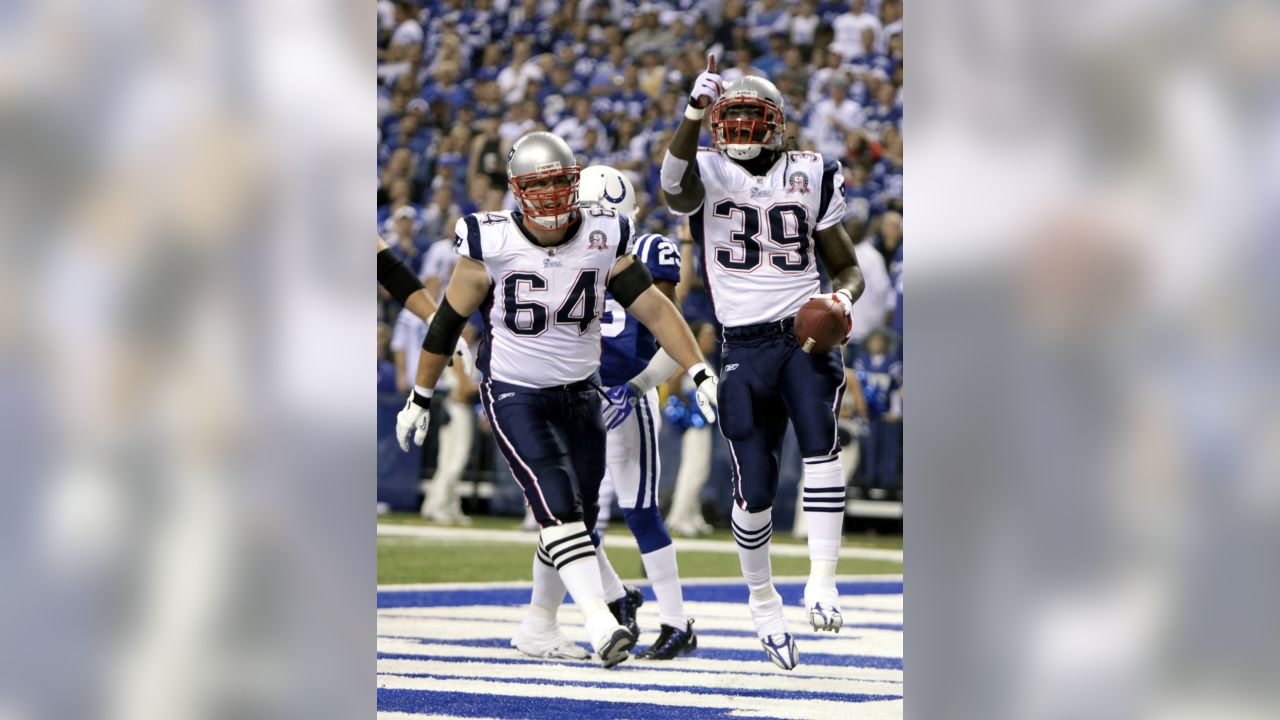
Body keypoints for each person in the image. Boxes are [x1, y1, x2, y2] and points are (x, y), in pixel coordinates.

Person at [395, 132, 719, 668]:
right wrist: (421, 394)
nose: (548, 197)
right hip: (516, 391)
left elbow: (657, 313)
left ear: (576, 185)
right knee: (556, 501)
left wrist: (699, 368)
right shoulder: (488, 238)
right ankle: (600, 620)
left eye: (557, 184)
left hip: (581, 394)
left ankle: (538, 625)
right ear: (516, 190)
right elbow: (447, 321)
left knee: (580, 517)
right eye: (536, 186)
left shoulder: (603, 232)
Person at [661, 57, 866, 670]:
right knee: (752, 490)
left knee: (821, 445)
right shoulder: (705, 165)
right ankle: (762, 600)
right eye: (734, 119)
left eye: (755, 120)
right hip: (742, 346)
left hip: (802, 336)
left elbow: (847, 266)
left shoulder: (813, 172)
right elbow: (673, 189)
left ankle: (824, 579)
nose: (743, 131)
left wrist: (840, 299)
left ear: (777, 125)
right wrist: (692, 112)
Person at [579, 165, 698, 660]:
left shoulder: (649, 251)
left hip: (628, 397)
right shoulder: (568, 254)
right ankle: (615, 596)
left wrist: (639, 385)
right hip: (583, 397)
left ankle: (675, 622)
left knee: (640, 509)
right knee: (572, 517)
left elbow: (671, 330)